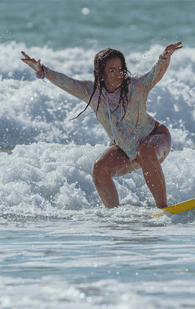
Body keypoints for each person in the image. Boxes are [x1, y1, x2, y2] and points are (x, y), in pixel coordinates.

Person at [21, 42, 183, 209]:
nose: (118, 74)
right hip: (128, 151)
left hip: (155, 138)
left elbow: (155, 74)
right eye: (112, 70)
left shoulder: (135, 87)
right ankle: (113, 215)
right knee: (100, 168)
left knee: (146, 152)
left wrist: (164, 57)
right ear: (101, 74)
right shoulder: (92, 92)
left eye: (120, 70)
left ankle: (163, 209)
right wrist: (42, 71)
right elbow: (66, 82)